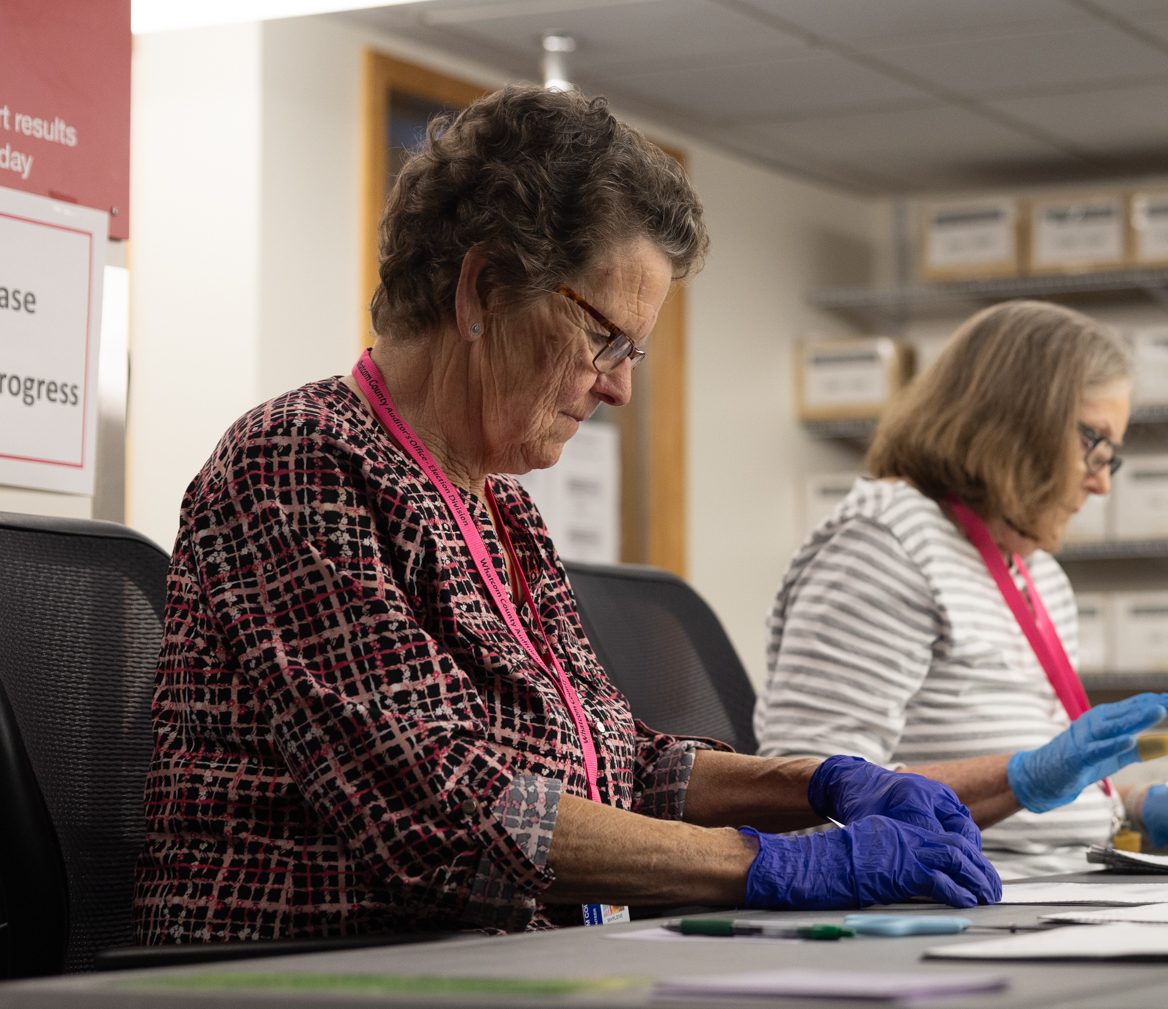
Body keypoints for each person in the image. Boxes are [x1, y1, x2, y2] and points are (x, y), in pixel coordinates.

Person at [136, 86, 999, 944]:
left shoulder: (503, 507)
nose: (621, 385)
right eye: (606, 339)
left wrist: (819, 783)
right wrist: (773, 864)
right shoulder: (300, 459)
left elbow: (613, 762)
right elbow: (442, 808)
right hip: (317, 976)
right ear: (482, 287)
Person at [755, 300, 1168, 878]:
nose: (1102, 481)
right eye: (1094, 443)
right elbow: (803, 805)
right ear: (1020, 418)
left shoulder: (1032, 574)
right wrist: (1020, 779)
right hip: (948, 912)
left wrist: (1137, 807)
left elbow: (1034, 799)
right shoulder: (886, 546)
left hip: (1049, 896)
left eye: (1114, 454)